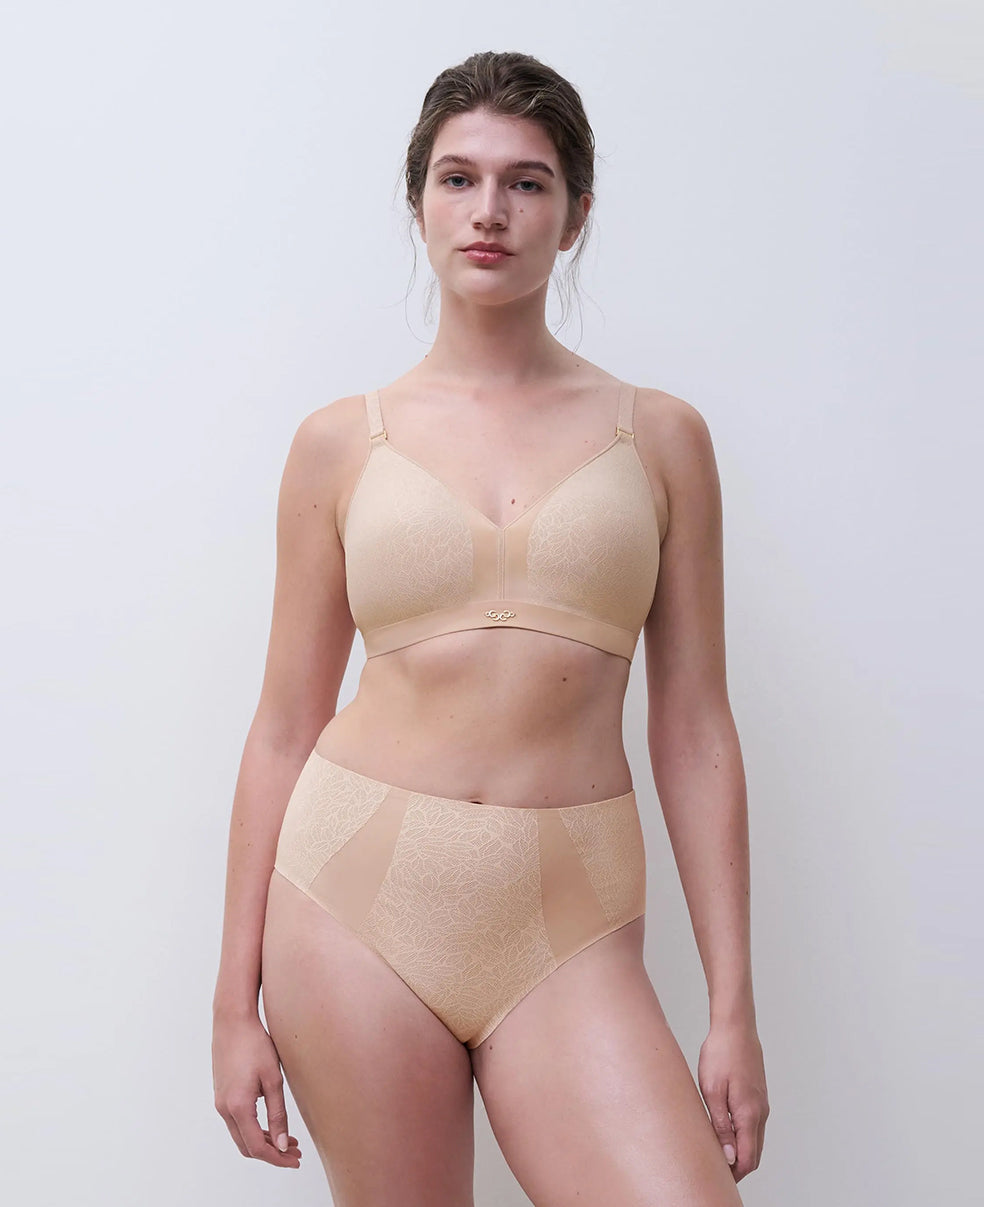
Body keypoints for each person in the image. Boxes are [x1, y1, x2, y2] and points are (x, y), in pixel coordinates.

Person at [211, 49, 769, 1206]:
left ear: (575, 215)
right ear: (417, 203)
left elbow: (695, 728)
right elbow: (283, 726)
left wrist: (731, 1007)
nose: (489, 211)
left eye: (527, 182)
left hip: (570, 914)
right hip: (351, 895)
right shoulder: (338, 443)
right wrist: (230, 1005)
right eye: (458, 179)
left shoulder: (661, 437)